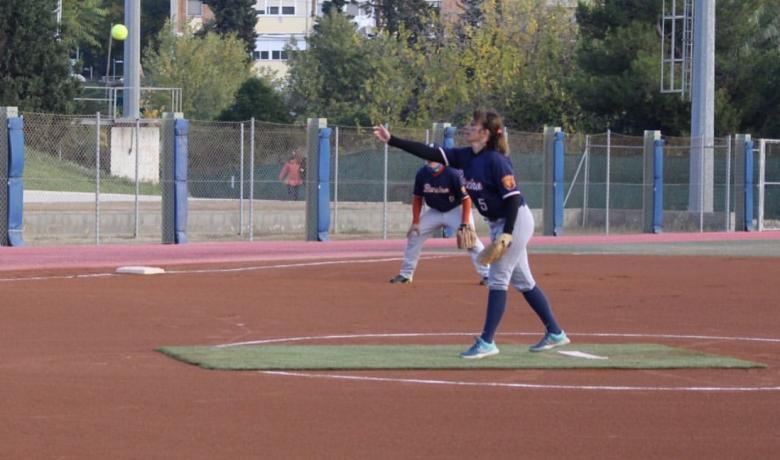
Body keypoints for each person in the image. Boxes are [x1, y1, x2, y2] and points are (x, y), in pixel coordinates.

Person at [373, 109, 569, 356]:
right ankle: (555, 332)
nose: (468, 127)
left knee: (498, 278)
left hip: (515, 220)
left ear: (485, 134)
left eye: (473, 125)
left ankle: (487, 342)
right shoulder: (465, 156)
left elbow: (513, 198)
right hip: (500, 222)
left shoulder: (496, 161)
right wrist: (392, 140)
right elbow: (430, 152)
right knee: (523, 281)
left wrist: (507, 234)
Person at [389, 160, 489, 285]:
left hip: (456, 210)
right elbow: (417, 198)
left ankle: (488, 275)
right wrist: (415, 221)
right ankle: (406, 274)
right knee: (414, 235)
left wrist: (465, 223)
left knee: (471, 241)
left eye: (433, 158)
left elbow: (466, 199)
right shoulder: (422, 173)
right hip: (434, 212)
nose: (430, 162)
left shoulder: (452, 173)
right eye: (428, 159)